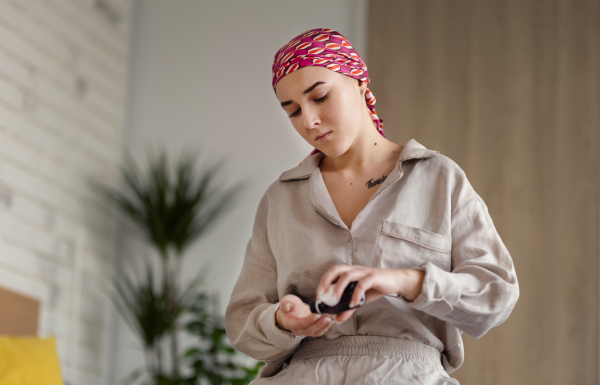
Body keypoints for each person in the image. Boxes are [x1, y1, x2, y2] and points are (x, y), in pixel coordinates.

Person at [224, 27, 519, 385]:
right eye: (293, 111)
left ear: (360, 83)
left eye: (319, 97)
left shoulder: (437, 178)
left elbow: (496, 295)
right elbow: (242, 323)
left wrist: (404, 281)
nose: (309, 121)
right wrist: (283, 321)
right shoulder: (281, 198)